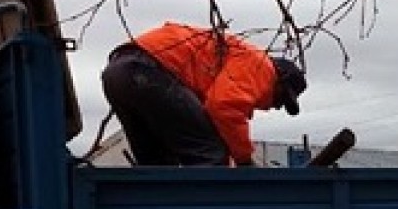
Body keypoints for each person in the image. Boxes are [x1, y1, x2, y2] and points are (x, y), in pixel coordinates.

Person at [100, 23, 307, 166]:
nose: (276, 106)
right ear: (279, 80)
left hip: (117, 73)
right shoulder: (262, 66)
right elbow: (224, 107)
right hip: (149, 70)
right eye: (282, 99)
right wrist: (244, 160)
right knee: (210, 152)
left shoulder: (224, 60)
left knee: (157, 164)